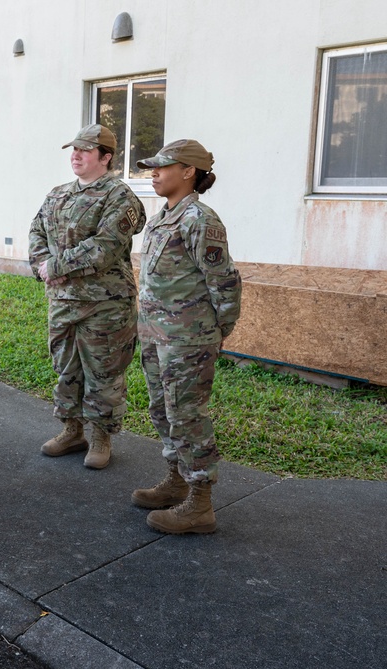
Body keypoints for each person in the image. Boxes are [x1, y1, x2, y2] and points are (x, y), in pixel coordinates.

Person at [130, 139, 241, 535]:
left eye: (162, 167)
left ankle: (199, 504)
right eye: (153, 168)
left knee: (186, 415)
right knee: (162, 408)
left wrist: (213, 332)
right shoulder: (162, 218)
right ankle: (176, 480)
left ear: (188, 171)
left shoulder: (200, 220)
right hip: (156, 331)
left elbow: (225, 283)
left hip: (188, 338)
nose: (154, 173)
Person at [28, 124, 146, 469]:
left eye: (84, 150)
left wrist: (57, 265)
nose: (75, 155)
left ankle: (101, 437)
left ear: (105, 157)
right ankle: (72, 430)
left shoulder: (120, 198)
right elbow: (36, 231)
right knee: (66, 366)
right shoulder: (58, 194)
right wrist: (42, 266)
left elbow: (105, 247)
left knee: (104, 370)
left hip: (106, 302)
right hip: (63, 300)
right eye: (73, 149)